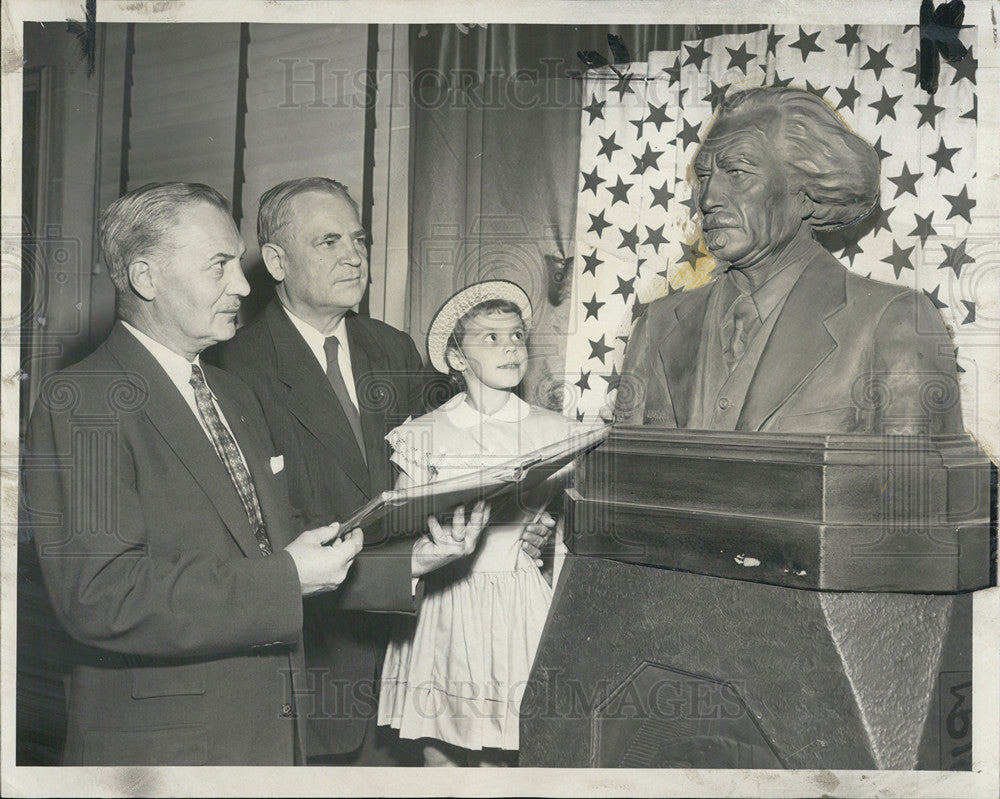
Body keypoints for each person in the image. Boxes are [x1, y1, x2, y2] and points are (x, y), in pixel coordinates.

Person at [206, 178, 555, 765]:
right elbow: (256, 538)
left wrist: (512, 524)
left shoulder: (392, 351)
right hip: (315, 665)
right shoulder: (232, 367)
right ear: (275, 261)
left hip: (414, 652)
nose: (354, 255)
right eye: (328, 241)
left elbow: (443, 476)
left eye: (359, 238)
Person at [21, 182, 364, 765]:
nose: (244, 285)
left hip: (271, 737)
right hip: (168, 753)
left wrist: (412, 565)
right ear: (146, 277)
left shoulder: (232, 393)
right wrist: (285, 579)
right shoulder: (84, 400)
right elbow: (102, 595)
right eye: (220, 266)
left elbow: (279, 535)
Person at [616, 86, 963, 435]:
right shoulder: (657, 326)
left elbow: (917, 486)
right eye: (704, 176)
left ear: (807, 194)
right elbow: (620, 475)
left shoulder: (894, 323)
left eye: (737, 172)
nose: (707, 198)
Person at [377, 280, 599, 767]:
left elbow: (574, 529)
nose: (510, 347)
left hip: (519, 602)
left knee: (508, 741)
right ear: (456, 358)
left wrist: (549, 540)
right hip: (446, 602)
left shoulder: (555, 431)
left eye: (517, 336)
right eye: (491, 338)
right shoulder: (423, 435)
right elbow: (398, 529)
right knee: (438, 741)